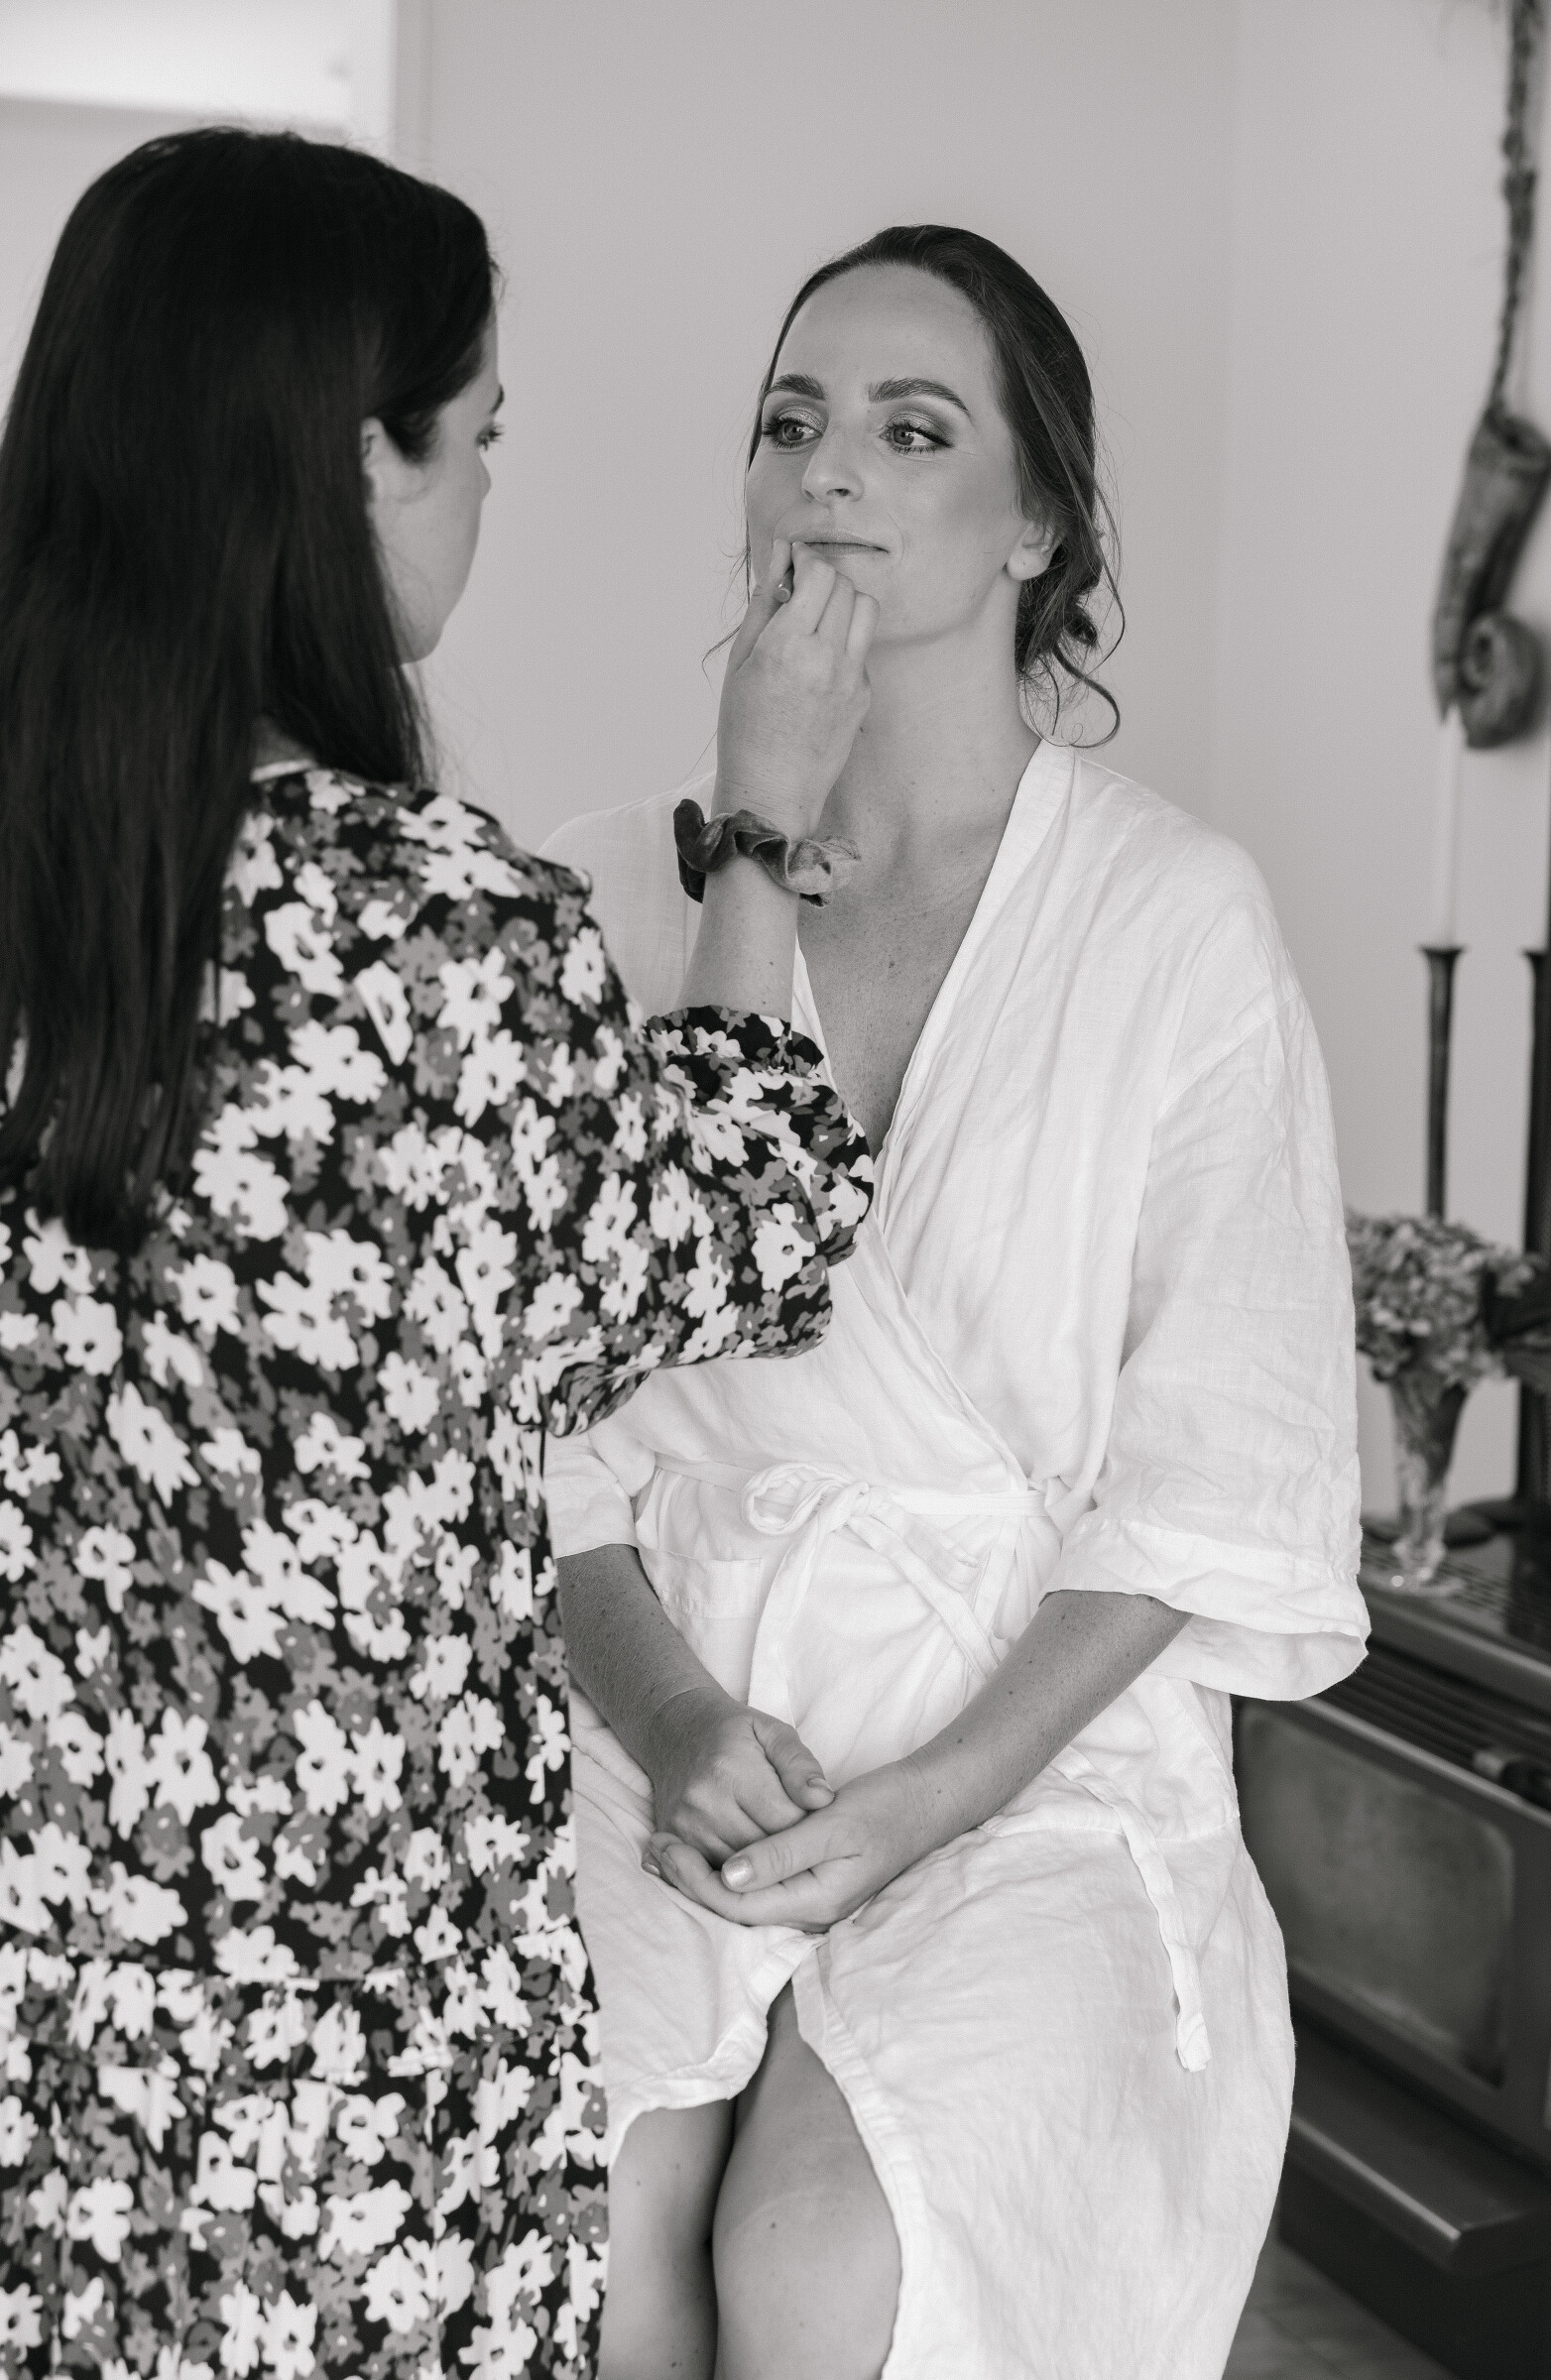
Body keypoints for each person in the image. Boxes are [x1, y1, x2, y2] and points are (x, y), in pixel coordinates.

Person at [0, 130, 879, 2379]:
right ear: (352, 465)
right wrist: (760, 820)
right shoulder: (436, 937)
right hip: (353, 2054)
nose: (486, 490)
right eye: (477, 437)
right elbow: (743, 1233)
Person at [544, 224, 1370, 2380]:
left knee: (825, 2260)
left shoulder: (1173, 922)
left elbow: (1216, 1472)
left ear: (1036, 527)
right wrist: (676, 1721)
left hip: (1031, 1748)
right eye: (790, 422)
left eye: (914, 430)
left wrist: (926, 1800)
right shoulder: (601, 895)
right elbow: (523, 1433)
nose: (830, 469)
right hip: (658, 1715)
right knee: (580, 2212)